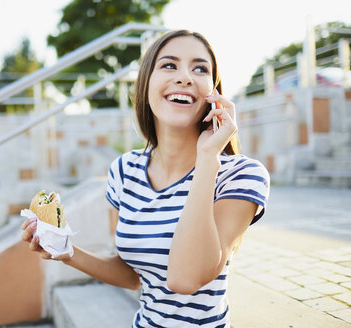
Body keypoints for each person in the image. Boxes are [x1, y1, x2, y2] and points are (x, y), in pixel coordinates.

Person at [22, 29, 270, 328]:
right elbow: (130, 276)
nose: (185, 77)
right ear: (146, 83)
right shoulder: (124, 171)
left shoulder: (241, 175)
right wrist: (66, 252)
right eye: (169, 65)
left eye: (200, 68)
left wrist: (208, 158)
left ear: (213, 92)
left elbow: (184, 279)